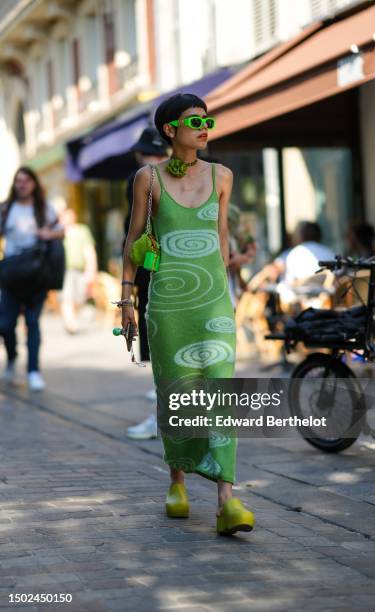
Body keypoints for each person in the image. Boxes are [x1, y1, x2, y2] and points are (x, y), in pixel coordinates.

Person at [121, 93, 255, 535]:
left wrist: (232, 292)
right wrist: (127, 299)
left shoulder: (222, 175)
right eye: (194, 121)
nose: (204, 127)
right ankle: (176, 483)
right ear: (169, 130)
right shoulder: (149, 178)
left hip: (214, 302)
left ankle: (226, 501)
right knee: (175, 394)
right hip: (166, 306)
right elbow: (135, 242)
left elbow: (220, 241)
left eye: (207, 120)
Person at [0, 167, 64, 391]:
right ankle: (12, 356)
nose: (22, 184)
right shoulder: (6, 209)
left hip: (37, 275)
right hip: (11, 275)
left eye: (27, 180)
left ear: (34, 183)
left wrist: (49, 234)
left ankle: (33, 371)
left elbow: (62, 231)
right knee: (5, 324)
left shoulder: (44, 208)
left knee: (32, 322)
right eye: (18, 180)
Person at [123, 127, 169, 440]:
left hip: (187, 271)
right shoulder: (139, 180)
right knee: (154, 344)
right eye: (147, 154)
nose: (152, 160)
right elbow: (136, 232)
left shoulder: (200, 175)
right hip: (150, 270)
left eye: (157, 153)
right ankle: (163, 417)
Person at [60, 208, 97, 334]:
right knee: (67, 297)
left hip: (80, 270)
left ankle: (71, 318)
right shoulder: (58, 232)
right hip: (64, 270)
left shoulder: (82, 230)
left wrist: (92, 270)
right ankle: (70, 323)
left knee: (80, 297)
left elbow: (89, 250)